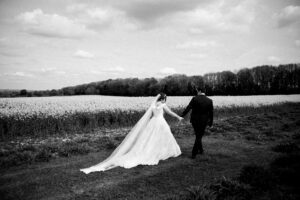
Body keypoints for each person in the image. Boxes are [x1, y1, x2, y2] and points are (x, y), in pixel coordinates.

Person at [80, 93, 183, 173]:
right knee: (161, 138)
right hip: (160, 123)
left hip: (153, 122)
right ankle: (158, 152)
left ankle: (154, 151)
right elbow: (170, 113)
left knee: (149, 139)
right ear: (164, 98)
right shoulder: (163, 105)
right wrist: (178, 117)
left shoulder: (153, 105)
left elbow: (150, 116)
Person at [181, 85, 213, 159]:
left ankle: (195, 152)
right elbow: (211, 113)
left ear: (200, 91)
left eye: (197, 91)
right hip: (204, 121)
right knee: (199, 135)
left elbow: (188, 108)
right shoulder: (209, 100)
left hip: (194, 120)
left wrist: (182, 115)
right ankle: (197, 152)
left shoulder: (194, 99)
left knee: (198, 135)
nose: (196, 92)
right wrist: (211, 122)